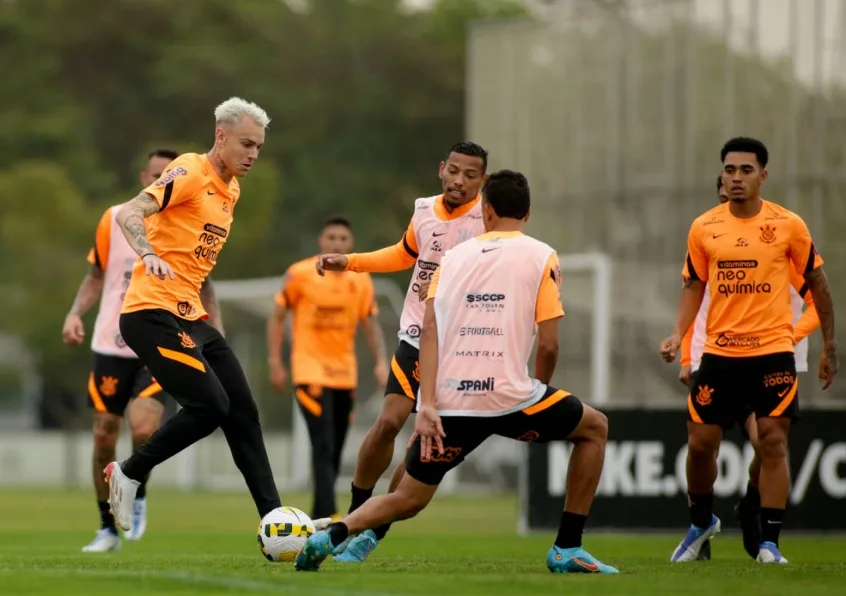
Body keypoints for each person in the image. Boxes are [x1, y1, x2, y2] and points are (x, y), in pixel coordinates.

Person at [295, 170, 617, 574]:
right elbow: (549, 343)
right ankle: (567, 547)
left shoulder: (452, 259)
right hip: (510, 396)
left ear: (487, 209)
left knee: (408, 499)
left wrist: (428, 403)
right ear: (528, 213)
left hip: (453, 399)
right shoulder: (542, 255)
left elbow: (429, 330)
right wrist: (541, 389)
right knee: (595, 428)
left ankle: (333, 535)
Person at [104, 97, 283, 531]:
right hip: (150, 312)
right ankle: (129, 472)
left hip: (192, 318)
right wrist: (148, 253)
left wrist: (213, 322)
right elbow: (131, 212)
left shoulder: (232, 191)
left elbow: (198, 265)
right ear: (220, 137)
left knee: (243, 412)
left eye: (258, 146)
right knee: (211, 406)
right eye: (245, 144)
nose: (253, 154)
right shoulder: (188, 170)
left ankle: (275, 519)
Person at [660, 137, 837, 565]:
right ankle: (701, 522)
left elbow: (817, 285)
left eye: (745, 170)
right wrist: (678, 335)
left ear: (763, 175)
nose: (736, 178)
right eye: (729, 170)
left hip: (773, 352)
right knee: (700, 444)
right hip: (720, 355)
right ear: (721, 174)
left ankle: (769, 543)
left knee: (773, 443)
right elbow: (693, 285)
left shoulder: (789, 225)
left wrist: (830, 345)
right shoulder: (704, 227)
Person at [314, 141, 489, 562]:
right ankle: (356, 513)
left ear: (482, 181)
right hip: (415, 334)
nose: (460, 181)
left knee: (421, 446)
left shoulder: (489, 219)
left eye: (471, 176)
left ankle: (373, 532)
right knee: (389, 420)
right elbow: (403, 254)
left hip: (461, 347)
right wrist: (349, 261)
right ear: (441, 169)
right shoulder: (424, 210)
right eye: (455, 171)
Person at [63, 149, 185, 551]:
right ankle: (106, 528)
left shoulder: (186, 219)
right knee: (103, 436)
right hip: (109, 343)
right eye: (155, 176)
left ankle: (136, 490)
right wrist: (74, 313)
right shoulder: (114, 217)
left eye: (167, 178)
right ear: (143, 177)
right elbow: (96, 275)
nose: (160, 184)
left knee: (145, 428)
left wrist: (211, 330)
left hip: (158, 340)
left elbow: (203, 284)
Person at [267, 216, 389, 521]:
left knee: (334, 448)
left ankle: (319, 512)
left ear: (351, 245)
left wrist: (381, 363)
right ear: (321, 241)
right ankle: (332, 513)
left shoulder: (360, 278)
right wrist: (274, 362)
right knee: (321, 443)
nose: (337, 243)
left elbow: (370, 324)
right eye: (331, 238)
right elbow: (277, 316)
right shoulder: (300, 274)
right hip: (309, 370)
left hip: (345, 374)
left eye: (343, 239)